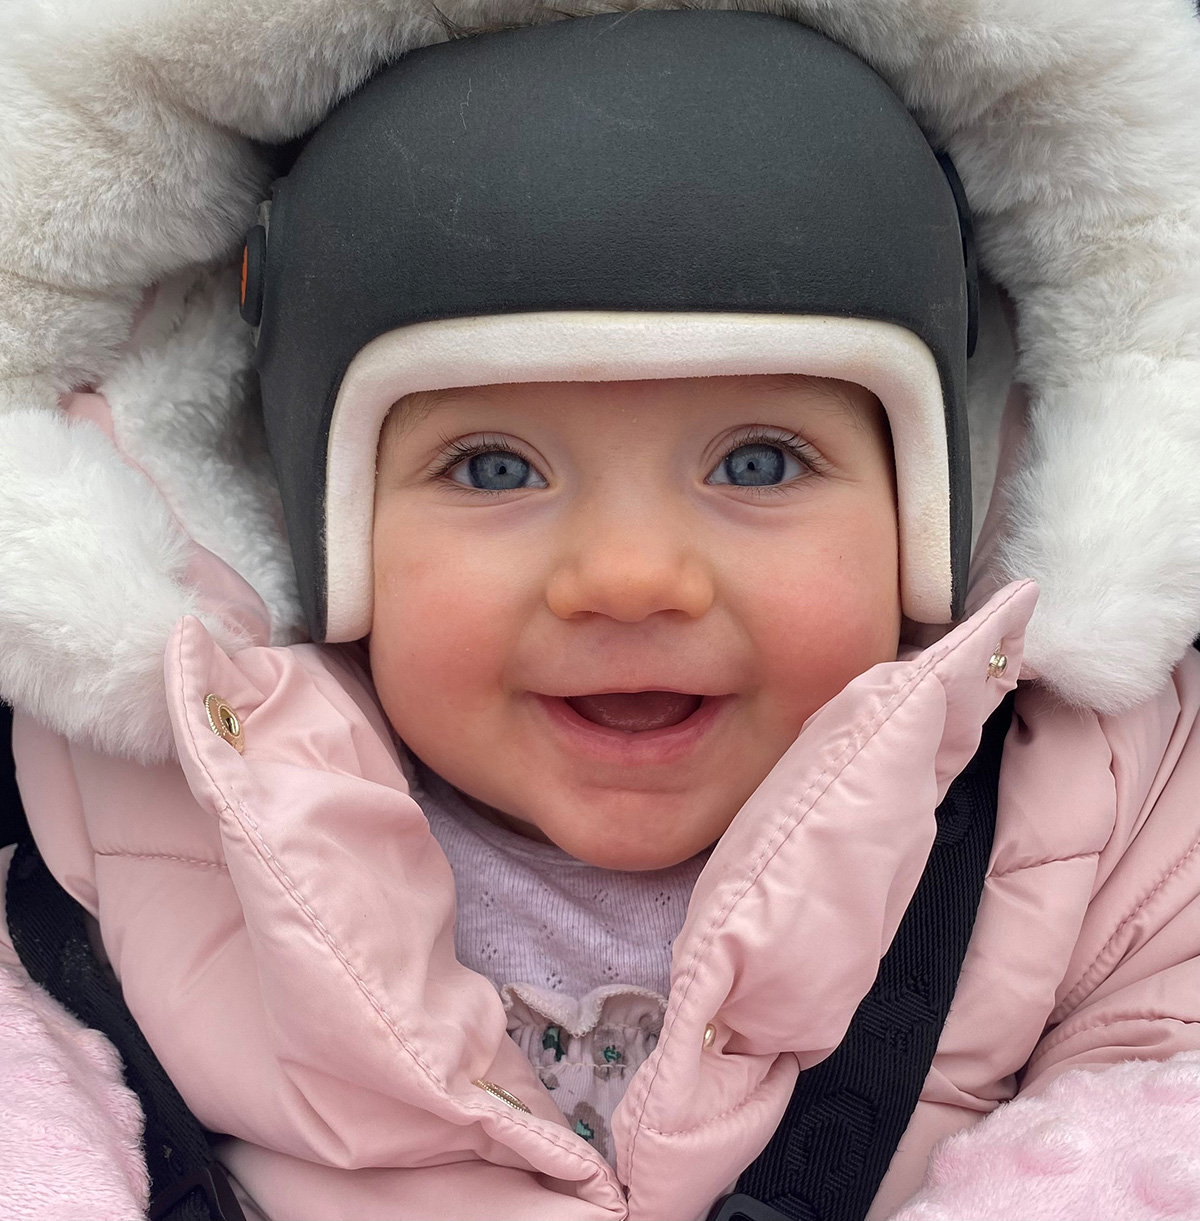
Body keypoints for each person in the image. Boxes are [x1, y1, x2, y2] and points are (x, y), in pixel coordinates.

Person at [1, 8, 1197, 1221]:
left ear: (934, 517)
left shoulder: (1088, 812)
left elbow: (1168, 1075)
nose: (629, 577)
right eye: (492, 469)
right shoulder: (141, 820)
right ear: (322, 534)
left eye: (760, 464)